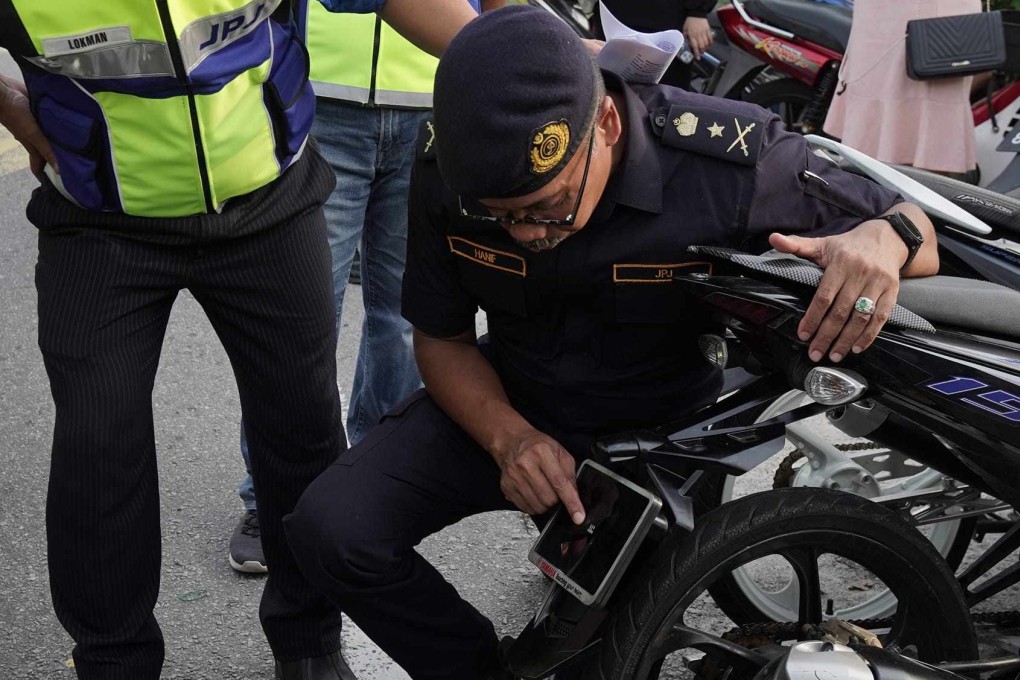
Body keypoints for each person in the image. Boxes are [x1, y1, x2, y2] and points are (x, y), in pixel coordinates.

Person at [283, 5, 937, 679]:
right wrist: (509, 438)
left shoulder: (726, 162)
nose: (528, 235)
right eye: (502, 220)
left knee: (602, 663)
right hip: (511, 402)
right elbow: (442, 339)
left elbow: (915, 220)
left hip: (658, 439)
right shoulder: (446, 167)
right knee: (332, 530)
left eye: (547, 208)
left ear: (607, 125)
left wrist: (884, 241)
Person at [0, 0, 479, 678]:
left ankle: (309, 643)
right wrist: (9, 104)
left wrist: (524, 54)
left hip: (267, 203)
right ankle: (114, 663)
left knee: (302, 427)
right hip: (99, 220)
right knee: (97, 443)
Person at [229, 0, 504, 575]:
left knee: (407, 321)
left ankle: (376, 489)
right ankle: (270, 498)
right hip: (318, 102)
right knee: (297, 321)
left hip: (434, 107)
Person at [824, 0, 980, 175]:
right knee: (876, 126)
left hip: (938, 22)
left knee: (934, 109)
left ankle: (916, 196)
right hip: (884, 21)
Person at [592, 0, 717, 89]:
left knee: (664, 95)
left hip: (668, 16)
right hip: (613, 14)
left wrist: (698, 11)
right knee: (608, 85)